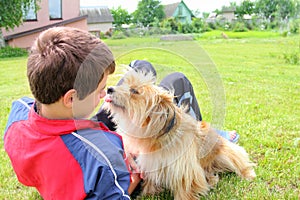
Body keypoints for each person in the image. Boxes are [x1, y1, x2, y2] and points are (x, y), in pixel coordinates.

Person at [4, 27, 141, 199]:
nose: (103, 95)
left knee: (141, 67)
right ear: (71, 99)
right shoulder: (104, 157)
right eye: (100, 90)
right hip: (90, 156)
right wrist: (134, 175)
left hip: (62, 151)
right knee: (174, 80)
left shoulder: (19, 110)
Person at [94, 60, 239, 143]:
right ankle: (203, 133)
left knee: (143, 66)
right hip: (118, 133)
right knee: (179, 80)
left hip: (99, 126)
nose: (102, 93)